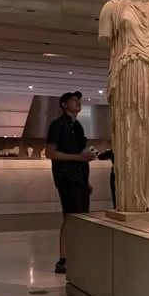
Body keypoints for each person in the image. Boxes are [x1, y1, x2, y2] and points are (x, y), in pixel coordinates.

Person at [46, 91, 95, 274]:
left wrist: (86, 180)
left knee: (81, 217)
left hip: (80, 179)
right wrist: (77, 157)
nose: (78, 103)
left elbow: (81, 153)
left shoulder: (79, 126)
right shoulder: (57, 125)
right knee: (70, 217)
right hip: (66, 177)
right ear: (64, 104)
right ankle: (63, 259)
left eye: (79, 100)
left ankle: (76, 255)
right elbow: (50, 152)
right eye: (74, 100)